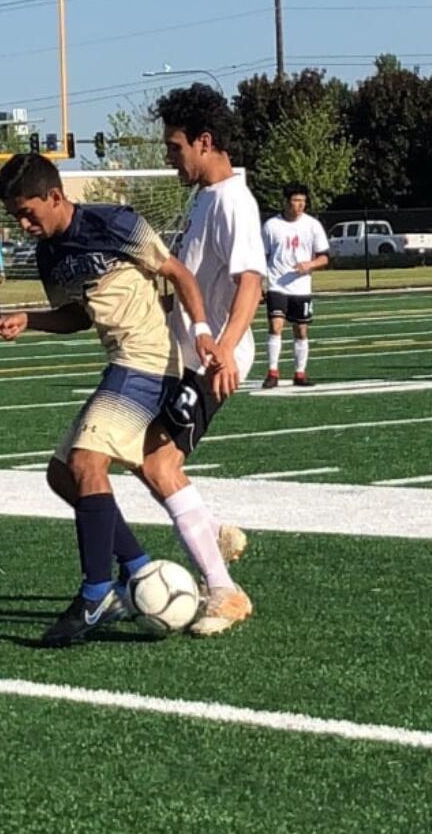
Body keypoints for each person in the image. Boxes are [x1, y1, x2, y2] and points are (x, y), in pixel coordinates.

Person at [0, 153, 225, 647]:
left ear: (55, 196)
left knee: (86, 463)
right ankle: (136, 571)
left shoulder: (114, 222)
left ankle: (97, 592)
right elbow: (78, 315)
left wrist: (202, 333)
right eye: (16, 216)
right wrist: (30, 319)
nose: (24, 223)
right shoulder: (48, 255)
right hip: (121, 362)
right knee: (62, 475)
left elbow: (179, 275)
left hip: (151, 362)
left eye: (29, 211)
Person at [141, 83, 266, 636]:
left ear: (205, 142)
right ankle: (210, 533)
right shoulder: (207, 199)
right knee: (146, 459)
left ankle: (225, 591)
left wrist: (228, 349)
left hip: (208, 364)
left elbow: (251, 283)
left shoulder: (234, 200)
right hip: (187, 357)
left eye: (174, 147)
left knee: (159, 465)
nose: (170, 159)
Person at [261, 183, 330, 388]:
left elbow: (324, 257)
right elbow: (261, 256)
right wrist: (259, 284)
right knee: (276, 325)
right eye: (295, 201)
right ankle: (272, 372)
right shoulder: (271, 226)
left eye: (303, 201)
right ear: (286, 202)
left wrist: (309, 264)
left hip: (301, 287)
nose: (300, 205)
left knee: (301, 329)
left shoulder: (312, 225)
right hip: (277, 284)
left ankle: (300, 373)